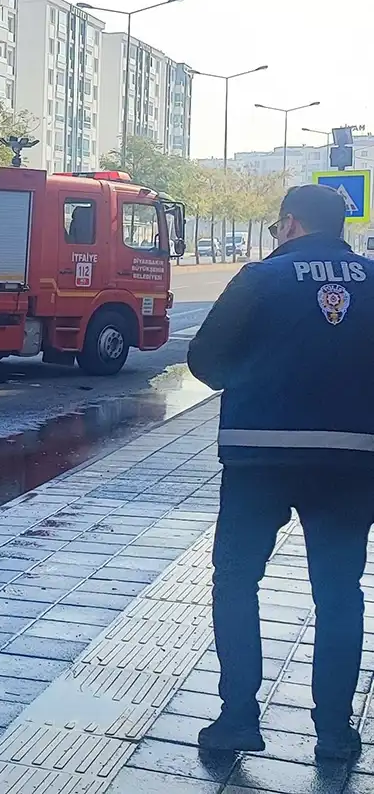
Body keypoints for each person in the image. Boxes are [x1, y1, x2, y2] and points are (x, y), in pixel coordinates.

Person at [189, 184, 374, 759]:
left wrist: (255, 383)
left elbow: (204, 360)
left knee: (238, 582)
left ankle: (239, 717)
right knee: (340, 593)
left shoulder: (260, 279)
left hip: (258, 458)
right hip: (351, 462)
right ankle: (336, 733)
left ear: (290, 224)